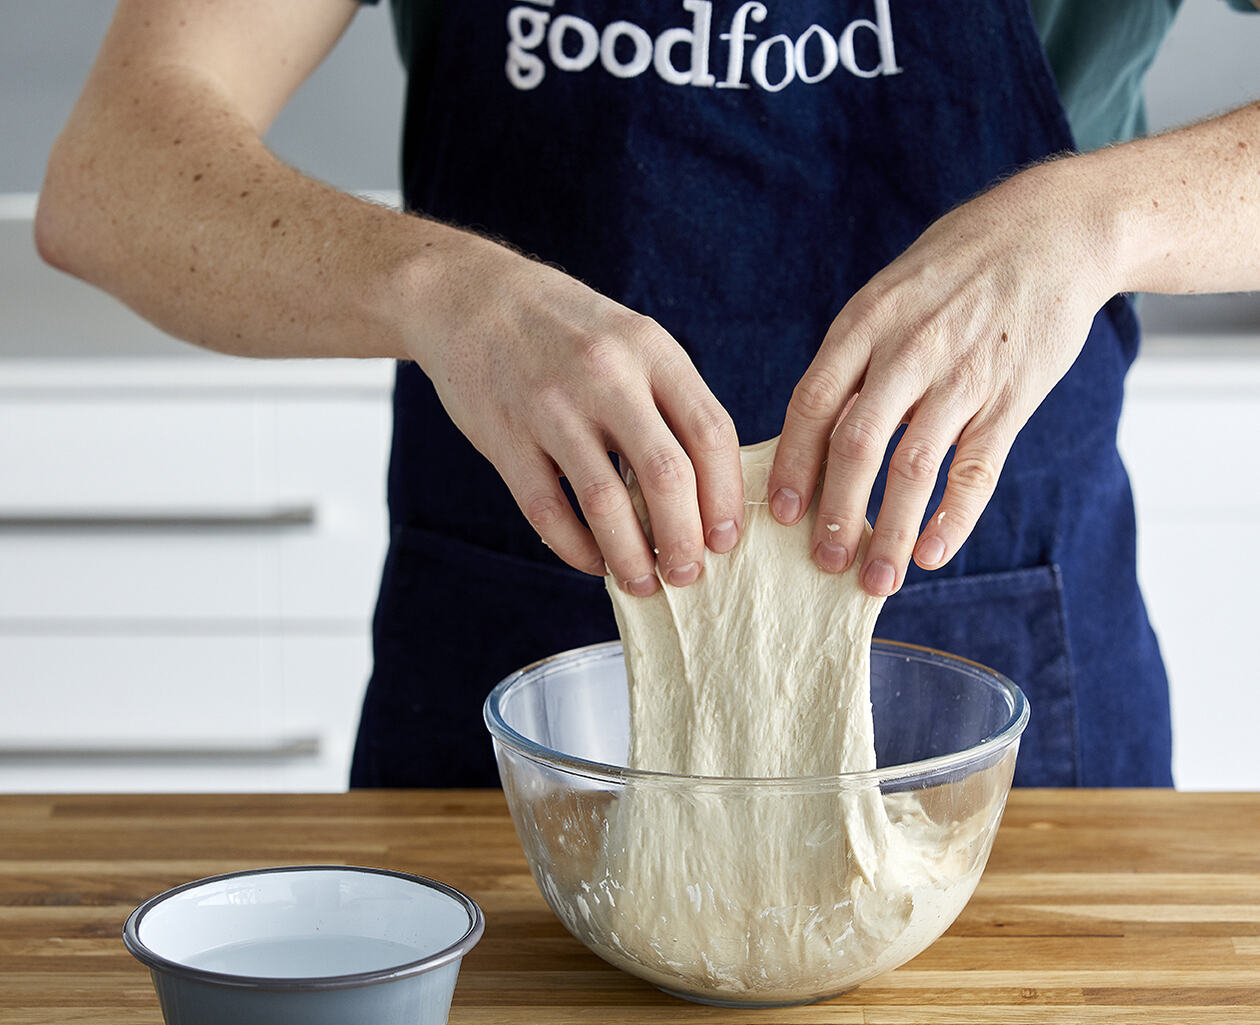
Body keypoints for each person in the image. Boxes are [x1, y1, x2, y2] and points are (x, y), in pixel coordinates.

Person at [37, 0, 1260, 788]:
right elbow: (115, 174)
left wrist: (1099, 219)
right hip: (509, 674)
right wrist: (444, 288)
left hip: (992, 648)